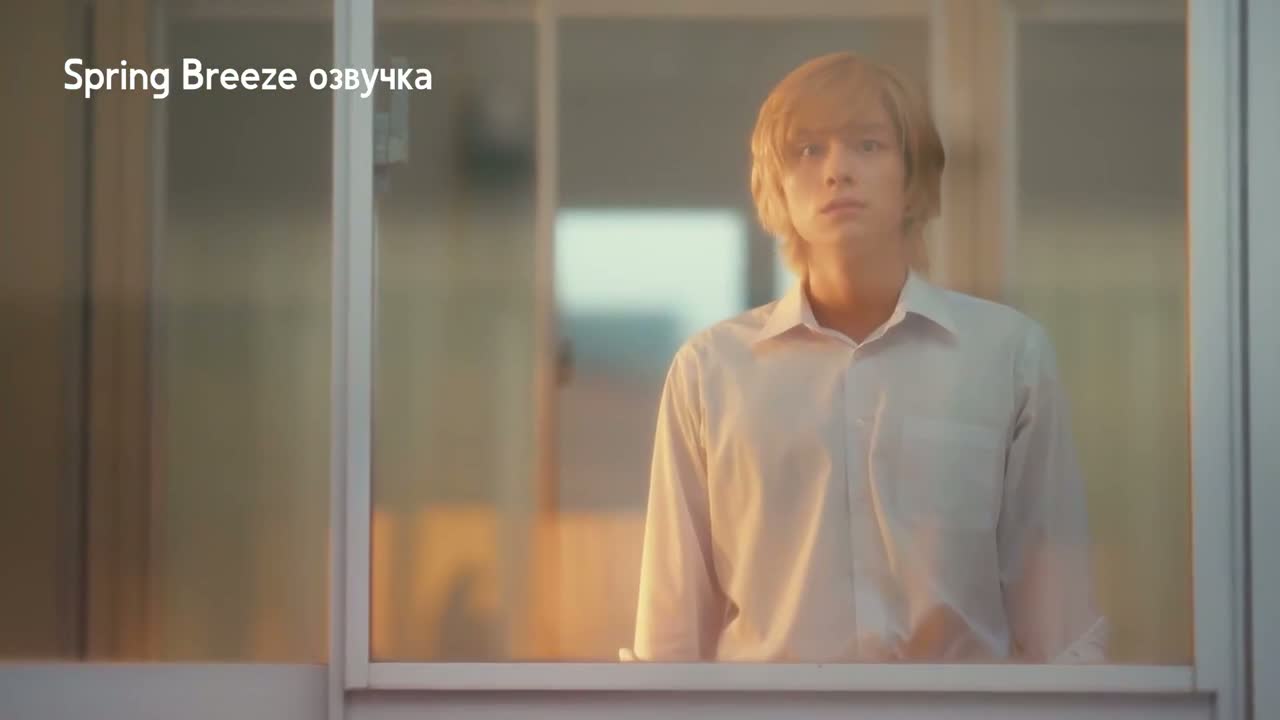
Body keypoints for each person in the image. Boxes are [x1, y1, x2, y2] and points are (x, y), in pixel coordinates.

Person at [629, 52, 1107, 663]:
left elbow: (1061, 629)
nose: (837, 171)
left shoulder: (1008, 358)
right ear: (777, 185)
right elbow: (670, 637)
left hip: (955, 706)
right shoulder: (710, 371)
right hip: (764, 706)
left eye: (868, 145)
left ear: (911, 177)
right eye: (808, 150)